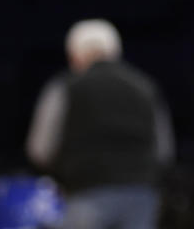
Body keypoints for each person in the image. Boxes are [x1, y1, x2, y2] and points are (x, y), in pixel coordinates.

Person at [26, 19, 174, 229]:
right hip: (141, 194)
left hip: (86, 191)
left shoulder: (66, 87)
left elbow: (40, 149)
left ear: (75, 54)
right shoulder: (145, 87)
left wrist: (63, 175)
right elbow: (164, 150)